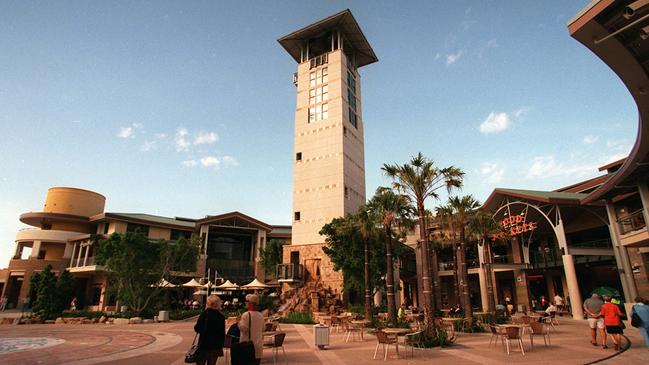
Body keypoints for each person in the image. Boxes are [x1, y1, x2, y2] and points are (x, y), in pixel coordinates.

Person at [194, 295, 225, 365]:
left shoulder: (204, 314)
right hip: (216, 347)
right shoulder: (221, 316)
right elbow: (222, 333)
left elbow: (197, 329)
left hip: (204, 345)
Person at [238, 293, 264, 365]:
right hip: (258, 347)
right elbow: (263, 328)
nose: (245, 303)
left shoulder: (246, 315)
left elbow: (244, 329)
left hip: (247, 347)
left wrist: (238, 322)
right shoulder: (260, 315)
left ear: (250, 303)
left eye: (246, 302)